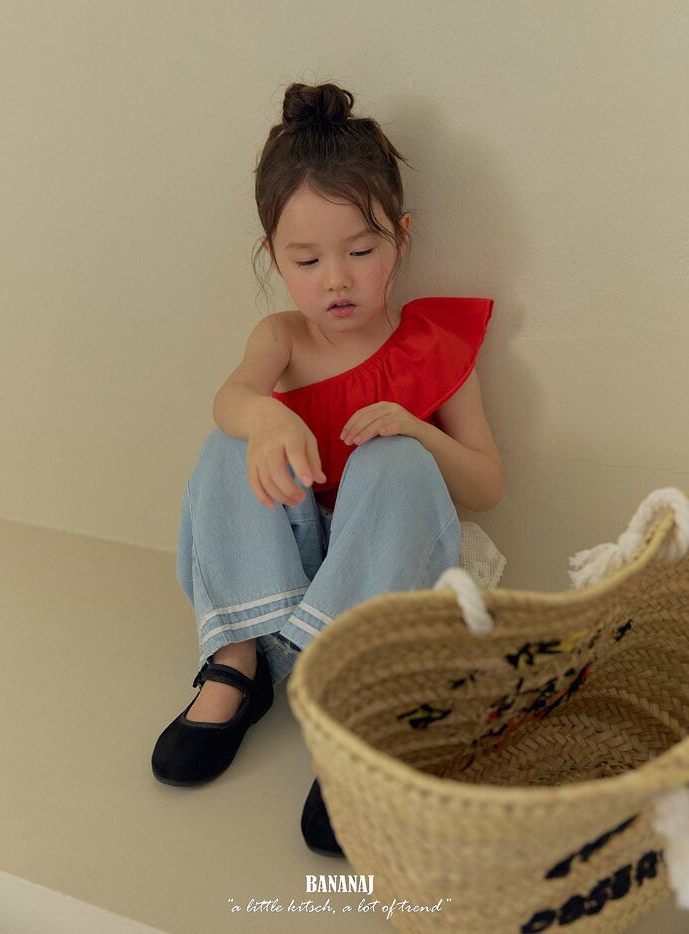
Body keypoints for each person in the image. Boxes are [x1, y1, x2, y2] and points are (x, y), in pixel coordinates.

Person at [151, 81, 504, 856]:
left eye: (361, 252)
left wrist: (416, 429)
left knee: (395, 459)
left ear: (401, 240)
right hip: (287, 588)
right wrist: (267, 415)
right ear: (273, 257)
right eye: (307, 260)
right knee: (228, 440)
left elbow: (486, 487)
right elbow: (228, 399)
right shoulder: (282, 338)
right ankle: (238, 662)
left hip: (382, 588)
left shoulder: (436, 348)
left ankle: (351, 700)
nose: (336, 280)